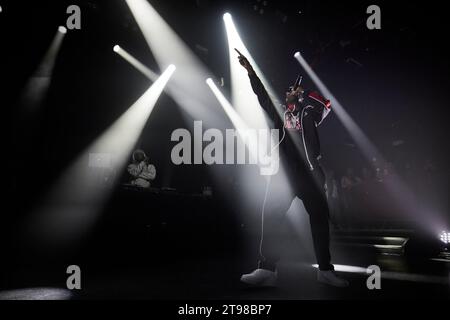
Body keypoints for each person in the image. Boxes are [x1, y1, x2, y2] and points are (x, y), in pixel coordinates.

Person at [237, 52, 348, 287]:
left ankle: (325, 270)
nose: (290, 92)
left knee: (319, 220)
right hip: (286, 175)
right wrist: (251, 73)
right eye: (288, 90)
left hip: (310, 175)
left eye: (293, 91)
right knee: (271, 216)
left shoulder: (309, 113)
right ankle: (267, 269)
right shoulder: (281, 114)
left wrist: (304, 94)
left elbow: (325, 105)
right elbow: (262, 96)